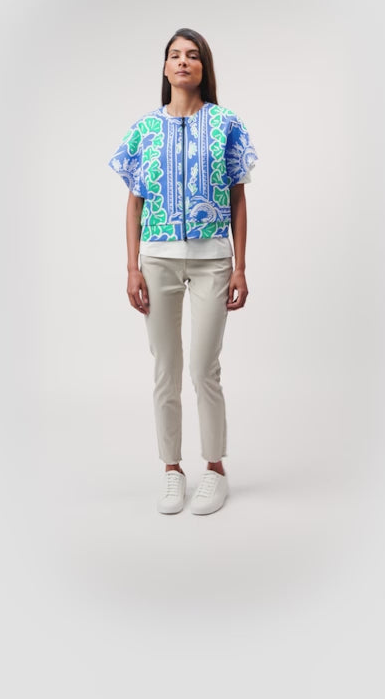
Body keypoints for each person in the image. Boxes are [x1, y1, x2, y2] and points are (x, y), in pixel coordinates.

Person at [108, 27, 258, 515]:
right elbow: (134, 204)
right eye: (175, 55)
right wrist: (132, 267)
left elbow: (238, 198)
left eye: (192, 55)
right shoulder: (144, 129)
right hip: (157, 258)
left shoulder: (226, 124)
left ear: (203, 67)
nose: (183, 62)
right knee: (165, 369)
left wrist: (240, 266)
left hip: (214, 259)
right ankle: (172, 470)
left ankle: (215, 469)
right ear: (165, 67)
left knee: (203, 368)